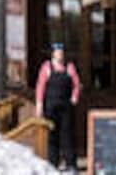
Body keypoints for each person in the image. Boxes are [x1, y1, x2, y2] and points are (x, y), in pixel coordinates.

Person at [35, 40, 82, 172]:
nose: (60, 55)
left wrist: (74, 97)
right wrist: (39, 104)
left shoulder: (69, 67)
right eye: (58, 53)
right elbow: (40, 86)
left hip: (66, 106)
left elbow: (76, 84)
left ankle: (71, 163)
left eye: (62, 53)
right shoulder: (47, 67)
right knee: (52, 135)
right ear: (53, 54)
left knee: (67, 135)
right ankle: (53, 163)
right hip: (51, 106)